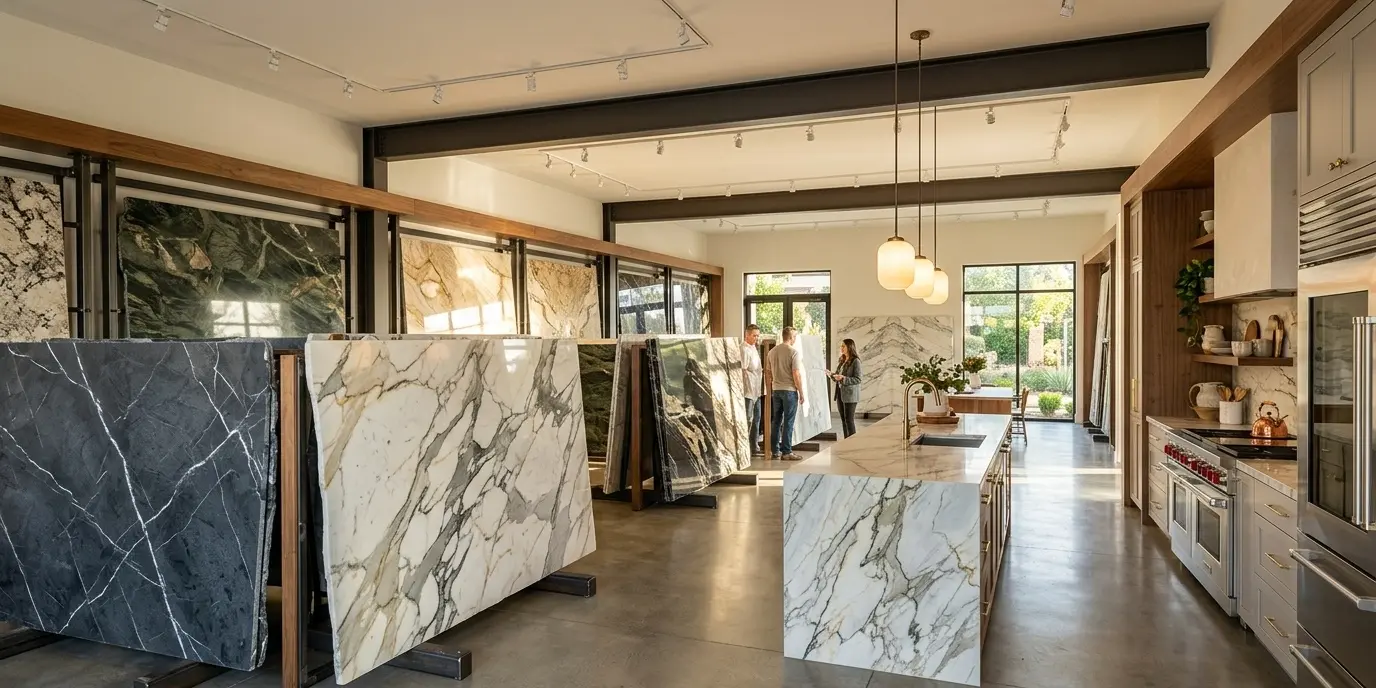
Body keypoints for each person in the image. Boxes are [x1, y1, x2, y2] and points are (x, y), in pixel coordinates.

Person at [766, 326, 805, 460]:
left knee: (776, 421)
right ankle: (787, 452)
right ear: (791, 337)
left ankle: (775, 451)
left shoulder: (771, 352)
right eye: (795, 337)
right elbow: (796, 374)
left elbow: (768, 372)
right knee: (788, 422)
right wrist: (801, 392)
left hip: (776, 391)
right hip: (789, 391)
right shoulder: (793, 352)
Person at [830, 339, 863, 438]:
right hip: (840, 393)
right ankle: (846, 441)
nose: (841, 348)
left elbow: (858, 379)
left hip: (850, 395)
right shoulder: (842, 360)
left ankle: (852, 443)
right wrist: (831, 375)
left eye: (843, 346)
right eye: (841, 346)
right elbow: (837, 376)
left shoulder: (855, 361)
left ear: (849, 347)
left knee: (849, 420)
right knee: (843, 420)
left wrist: (844, 379)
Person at [742, 324, 764, 455]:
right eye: (754, 335)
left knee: (757, 419)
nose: (756, 338)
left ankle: (754, 445)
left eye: (757, 336)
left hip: (756, 390)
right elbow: (743, 370)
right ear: (747, 335)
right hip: (748, 390)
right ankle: (745, 447)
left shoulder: (754, 348)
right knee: (748, 418)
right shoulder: (744, 349)